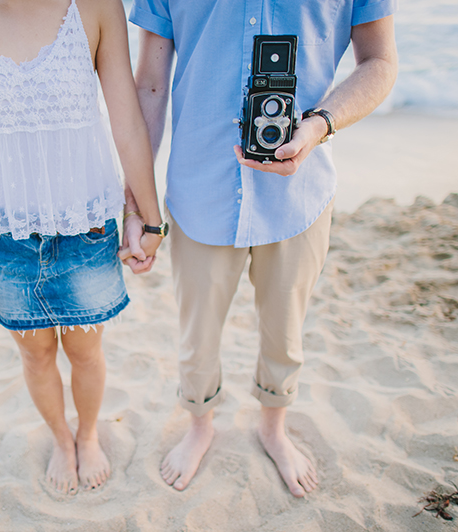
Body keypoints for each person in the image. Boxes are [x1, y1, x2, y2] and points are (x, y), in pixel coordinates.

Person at [121, 0, 398, 496]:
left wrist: (317, 127)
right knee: (196, 332)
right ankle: (200, 426)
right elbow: (150, 83)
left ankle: (274, 425)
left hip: (300, 194)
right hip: (199, 187)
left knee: (285, 331)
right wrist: (136, 202)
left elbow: (379, 62)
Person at [0, 0, 164, 494]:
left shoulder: (95, 7)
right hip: (0, 237)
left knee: (86, 351)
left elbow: (128, 124)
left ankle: (89, 434)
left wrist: (149, 218)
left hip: (86, 227)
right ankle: (61, 438)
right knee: (35, 356)